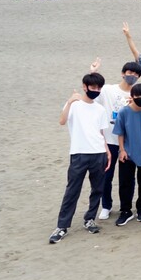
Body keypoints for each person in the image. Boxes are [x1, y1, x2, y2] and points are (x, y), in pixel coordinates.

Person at [49, 72, 112, 244]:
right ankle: (62, 226)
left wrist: (107, 150)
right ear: (85, 87)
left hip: (98, 153)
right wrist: (70, 101)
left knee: (97, 189)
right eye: (93, 87)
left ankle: (90, 219)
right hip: (79, 153)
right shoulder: (74, 105)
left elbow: (100, 132)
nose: (96, 90)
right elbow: (62, 121)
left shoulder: (99, 109)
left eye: (99, 88)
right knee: (72, 190)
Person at [90, 59, 141, 221]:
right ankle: (106, 205)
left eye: (136, 74)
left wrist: (136, 104)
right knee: (106, 175)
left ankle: (126, 207)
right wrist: (93, 72)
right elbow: (93, 91)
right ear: (122, 73)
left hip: (128, 142)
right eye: (129, 73)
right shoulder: (108, 90)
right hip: (109, 140)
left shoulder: (138, 95)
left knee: (127, 178)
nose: (132, 76)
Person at [113, 83, 141, 224]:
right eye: (137, 96)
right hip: (128, 153)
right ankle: (125, 210)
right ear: (131, 96)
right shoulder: (124, 112)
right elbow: (120, 133)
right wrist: (122, 150)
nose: (140, 98)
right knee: (125, 183)